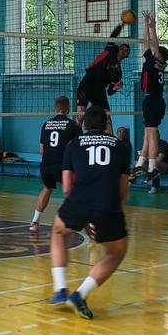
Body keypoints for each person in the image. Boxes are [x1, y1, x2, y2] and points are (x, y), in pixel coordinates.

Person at [48, 107, 131, 319]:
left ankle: (60, 290)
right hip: (108, 203)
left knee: (58, 232)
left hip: (80, 200)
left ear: (84, 125)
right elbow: (123, 190)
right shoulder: (120, 146)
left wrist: (82, 216)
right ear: (106, 125)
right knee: (115, 252)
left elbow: (67, 188)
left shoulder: (73, 144)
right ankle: (80, 295)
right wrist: (108, 213)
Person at [131, 11, 168, 184]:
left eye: (157, 52)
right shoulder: (160, 64)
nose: (154, 51)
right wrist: (153, 27)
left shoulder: (151, 62)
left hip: (152, 100)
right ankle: (140, 165)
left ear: (158, 56)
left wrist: (146, 26)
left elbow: (146, 43)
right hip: (156, 100)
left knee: (152, 134)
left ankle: (153, 168)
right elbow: (156, 45)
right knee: (147, 133)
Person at [31, 97, 81, 230]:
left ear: (55, 108)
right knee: (75, 191)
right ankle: (85, 222)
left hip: (46, 165)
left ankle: (34, 222)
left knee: (47, 189)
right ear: (68, 109)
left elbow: (41, 151)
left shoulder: (46, 124)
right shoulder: (73, 125)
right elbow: (78, 149)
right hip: (64, 166)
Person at [74, 23, 130, 126]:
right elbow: (113, 37)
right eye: (122, 48)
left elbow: (110, 91)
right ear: (118, 49)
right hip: (87, 84)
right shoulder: (109, 52)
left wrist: (115, 88)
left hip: (99, 91)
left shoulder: (118, 74)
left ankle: (109, 136)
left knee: (106, 117)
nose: (124, 50)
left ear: (127, 56)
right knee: (80, 115)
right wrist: (121, 25)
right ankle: (75, 135)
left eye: (126, 50)